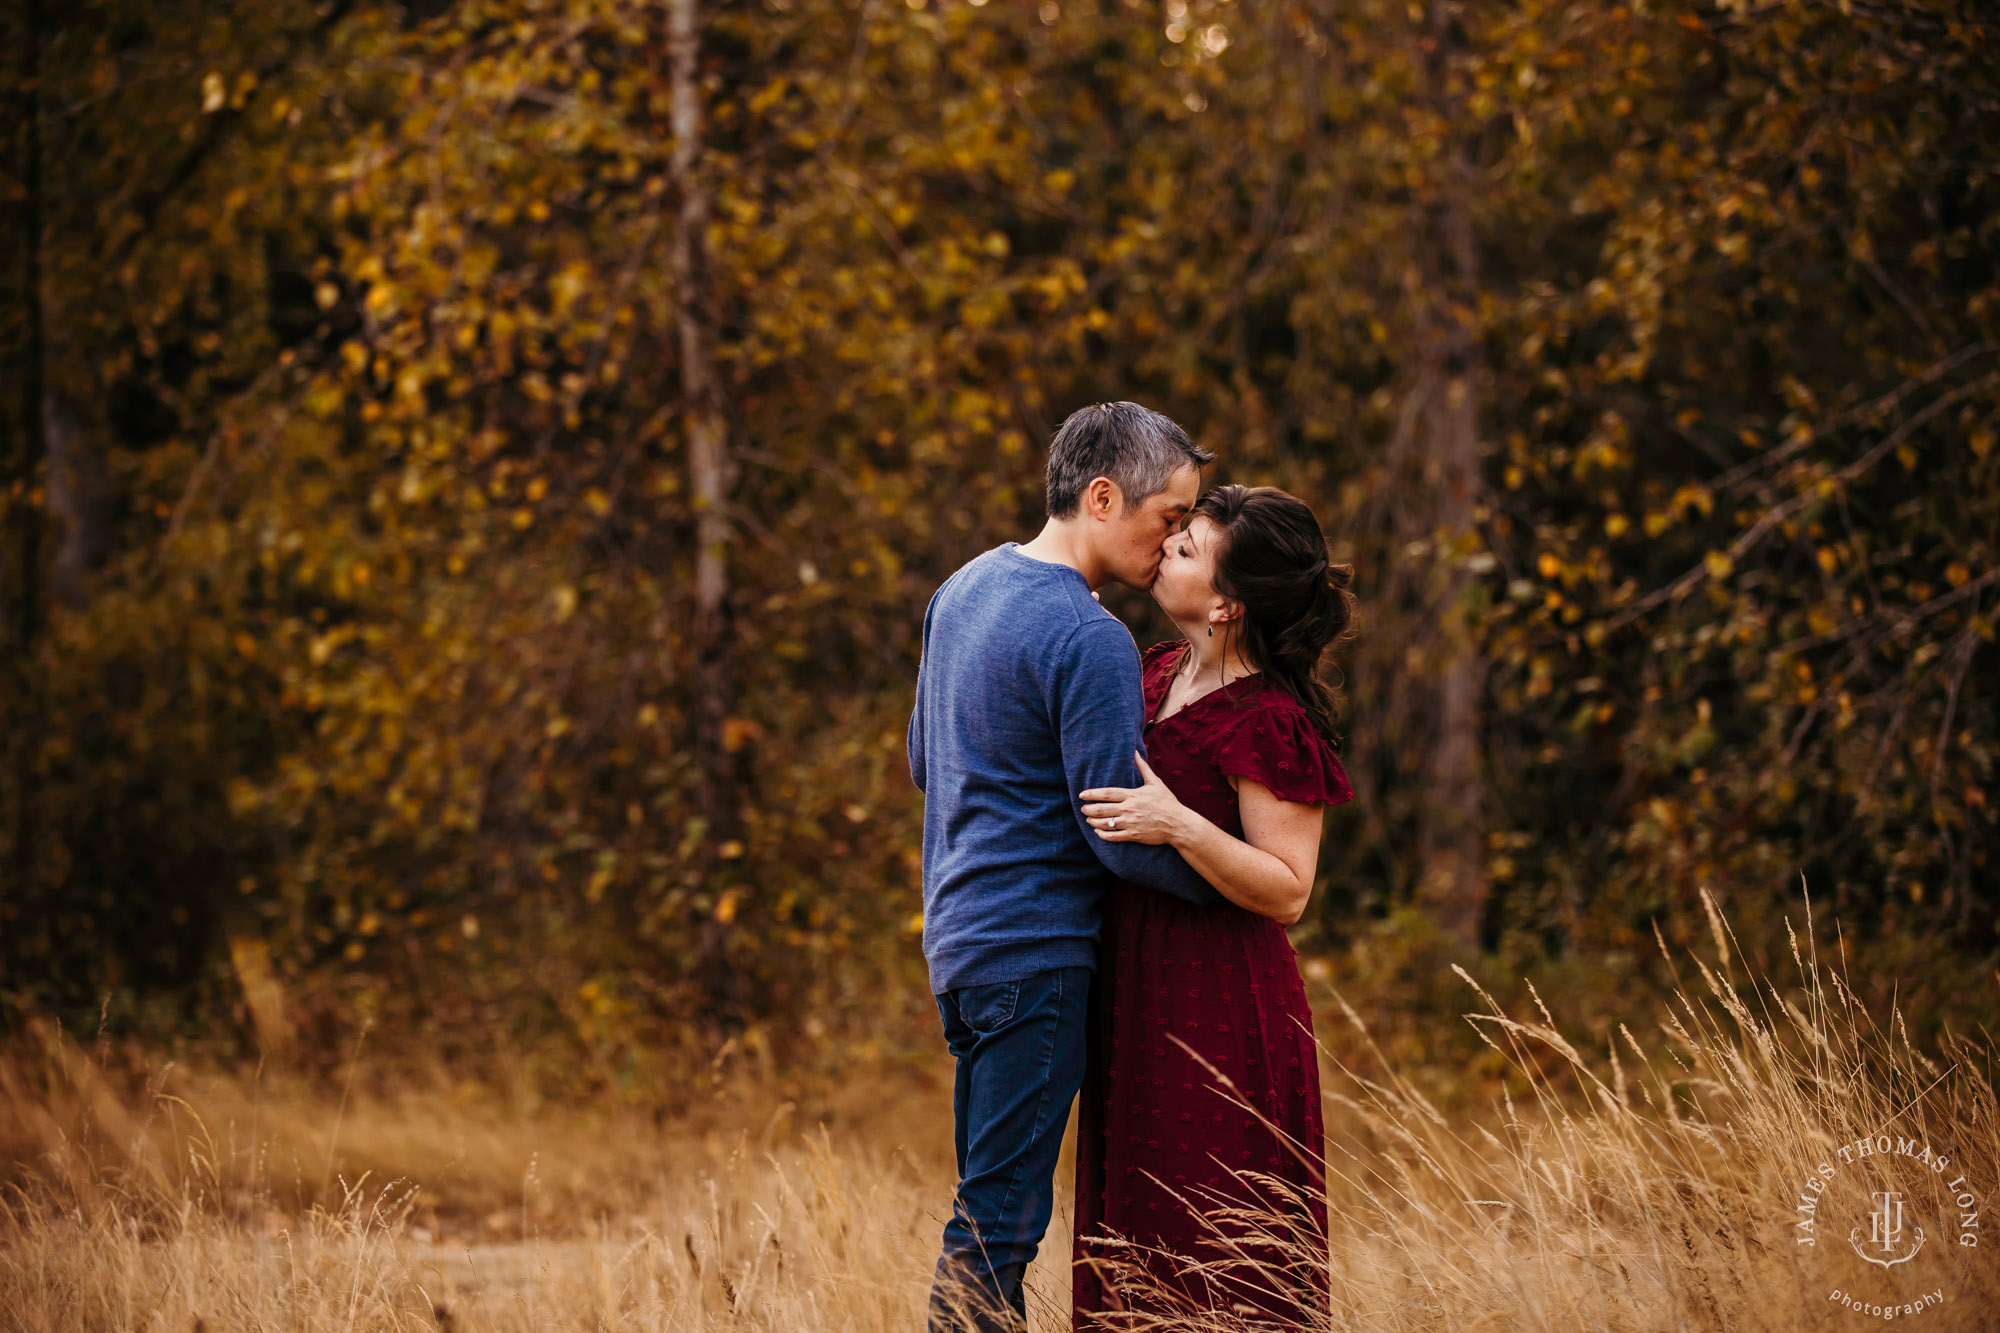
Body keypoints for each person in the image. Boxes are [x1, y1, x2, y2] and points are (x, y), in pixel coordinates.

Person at [907, 402, 1228, 1333]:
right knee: (997, 1228)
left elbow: (926, 761)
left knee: (989, 1206)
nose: (1172, 541)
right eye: (1169, 517)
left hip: (961, 951)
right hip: (1035, 956)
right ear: (1101, 497)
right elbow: (1112, 829)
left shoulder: (960, 590)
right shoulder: (1090, 639)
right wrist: (1227, 892)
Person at [1070, 484, 1358, 1328]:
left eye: (1188, 549)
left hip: (1220, 1000)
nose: (1166, 550)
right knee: (1135, 1236)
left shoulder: (1268, 716)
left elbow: (1289, 887)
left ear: (1228, 603)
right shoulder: (1156, 669)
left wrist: (1177, 824)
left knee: (1216, 1241)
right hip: (1134, 990)